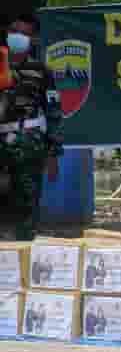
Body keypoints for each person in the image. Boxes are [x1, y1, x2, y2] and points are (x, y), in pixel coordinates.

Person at [0, 14, 63, 241]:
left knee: (26, 203)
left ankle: (24, 250)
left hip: (28, 143)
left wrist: (53, 153)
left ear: (33, 38)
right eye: (14, 30)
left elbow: (54, 112)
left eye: (25, 33)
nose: (18, 36)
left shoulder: (42, 71)